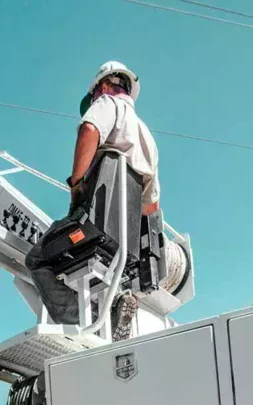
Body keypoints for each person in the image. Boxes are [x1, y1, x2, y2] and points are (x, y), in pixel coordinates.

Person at [26, 61, 161, 325]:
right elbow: (150, 207)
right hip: (123, 246)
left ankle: (101, 315)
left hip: (90, 229)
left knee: (37, 258)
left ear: (103, 86)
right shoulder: (149, 140)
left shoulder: (109, 103)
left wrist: (77, 185)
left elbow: (89, 130)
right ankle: (108, 309)